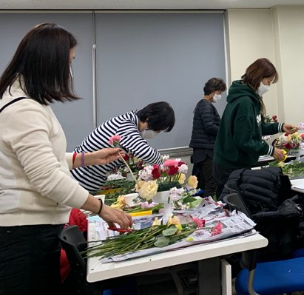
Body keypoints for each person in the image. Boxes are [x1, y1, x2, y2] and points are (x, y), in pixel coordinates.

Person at [0, 23, 132, 294]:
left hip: (31, 229)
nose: (70, 71)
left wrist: (89, 158)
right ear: (50, 63)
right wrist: (100, 208)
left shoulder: (26, 101)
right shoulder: (23, 109)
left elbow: (44, 159)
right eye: (69, 62)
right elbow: (46, 177)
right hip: (23, 232)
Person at [213, 58, 298, 191]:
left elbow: (255, 128)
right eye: (268, 82)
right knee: (234, 209)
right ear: (258, 77)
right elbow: (243, 140)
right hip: (230, 166)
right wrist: (270, 150)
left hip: (235, 163)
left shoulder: (249, 99)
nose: (268, 87)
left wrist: (280, 126)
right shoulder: (245, 102)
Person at [71, 101, 176, 193]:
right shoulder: (125, 125)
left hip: (86, 181)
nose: (156, 133)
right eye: (157, 130)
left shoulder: (130, 123)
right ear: (148, 119)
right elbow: (145, 152)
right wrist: (165, 167)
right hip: (79, 180)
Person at [189, 77, 227, 197]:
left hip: (203, 150)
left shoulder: (203, 105)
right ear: (212, 91)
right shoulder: (206, 105)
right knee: (211, 184)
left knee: (206, 183)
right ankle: (209, 211)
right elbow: (210, 127)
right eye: (219, 93)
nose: (219, 96)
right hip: (206, 151)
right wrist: (225, 131)